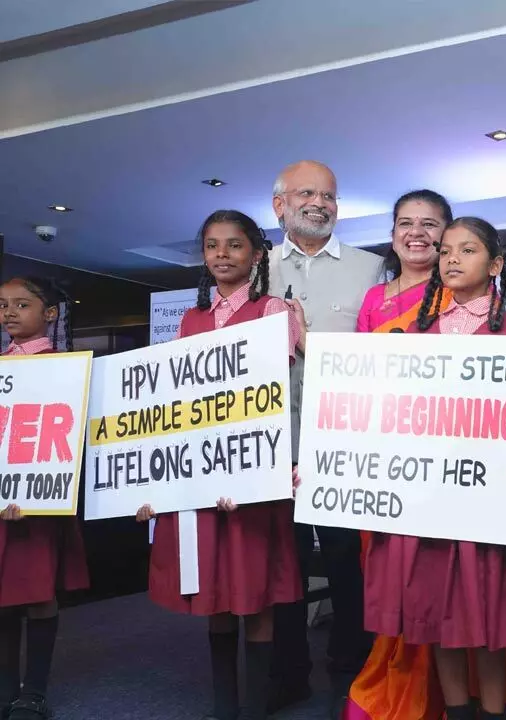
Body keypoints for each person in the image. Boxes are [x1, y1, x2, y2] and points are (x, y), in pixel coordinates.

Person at [355, 217, 506, 720]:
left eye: (467, 250)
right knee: (435, 618)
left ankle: (493, 713)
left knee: (486, 622)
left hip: (488, 507)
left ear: (497, 264)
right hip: (428, 504)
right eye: (445, 251)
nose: (452, 259)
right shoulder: (414, 334)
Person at [135, 210, 304, 720]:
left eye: (234, 245)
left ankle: (254, 706)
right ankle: (224, 705)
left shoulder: (274, 309)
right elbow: (179, 401)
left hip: (253, 470)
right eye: (212, 246)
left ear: (257, 254)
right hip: (202, 473)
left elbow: (269, 388)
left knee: (256, 591)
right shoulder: (191, 319)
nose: (222, 254)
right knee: (215, 593)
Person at [266, 160, 383, 718]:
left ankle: (352, 666)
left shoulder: (371, 268)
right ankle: (287, 672)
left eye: (329, 195)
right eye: (306, 193)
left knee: (347, 561)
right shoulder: (256, 270)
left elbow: (382, 353)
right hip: (272, 444)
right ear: (279, 205)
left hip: (343, 445)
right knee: (282, 562)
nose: (319, 203)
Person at [0, 277, 89, 720]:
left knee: (37, 594)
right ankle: (4, 690)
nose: (9, 312)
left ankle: (33, 691)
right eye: (3, 305)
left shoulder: (64, 366)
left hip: (38, 503)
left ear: (49, 313)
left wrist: (27, 489)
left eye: (22, 304)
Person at [357, 190, 455, 334]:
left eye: (428, 224)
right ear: (393, 236)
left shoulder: (462, 290)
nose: (415, 232)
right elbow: (360, 347)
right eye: (405, 223)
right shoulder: (374, 296)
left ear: (449, 236)